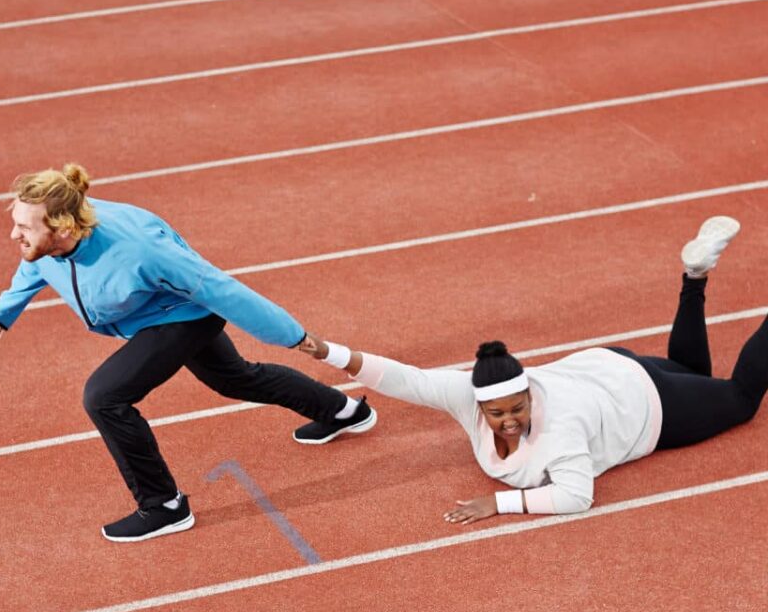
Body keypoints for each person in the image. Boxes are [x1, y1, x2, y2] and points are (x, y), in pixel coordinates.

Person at [0, 163, 376, 542]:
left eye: (23, 227)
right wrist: (6, 307)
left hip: (185, 316)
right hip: (152, 315)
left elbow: (221, 289)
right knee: (235, 379)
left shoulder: (141, 251)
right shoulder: (54, 237)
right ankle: (342, 411)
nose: (14, 236)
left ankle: (164, 506)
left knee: (104, 397)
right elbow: (36, 261)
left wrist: (293, 335)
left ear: (63, 226)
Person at [300, 216, 767, 524]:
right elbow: (407, 379)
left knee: (740, 399)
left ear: (529, 397)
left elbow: (577, 496)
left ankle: (701, 281)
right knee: (691, 369)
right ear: (477, 403)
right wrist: (331, 353)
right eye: (497, 412)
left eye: (517, 409)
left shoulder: (558, 431)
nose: (508, 419)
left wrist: (498, 505)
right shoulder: (468, 393)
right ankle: (695, 274)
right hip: (608, 368)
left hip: (647, 405)